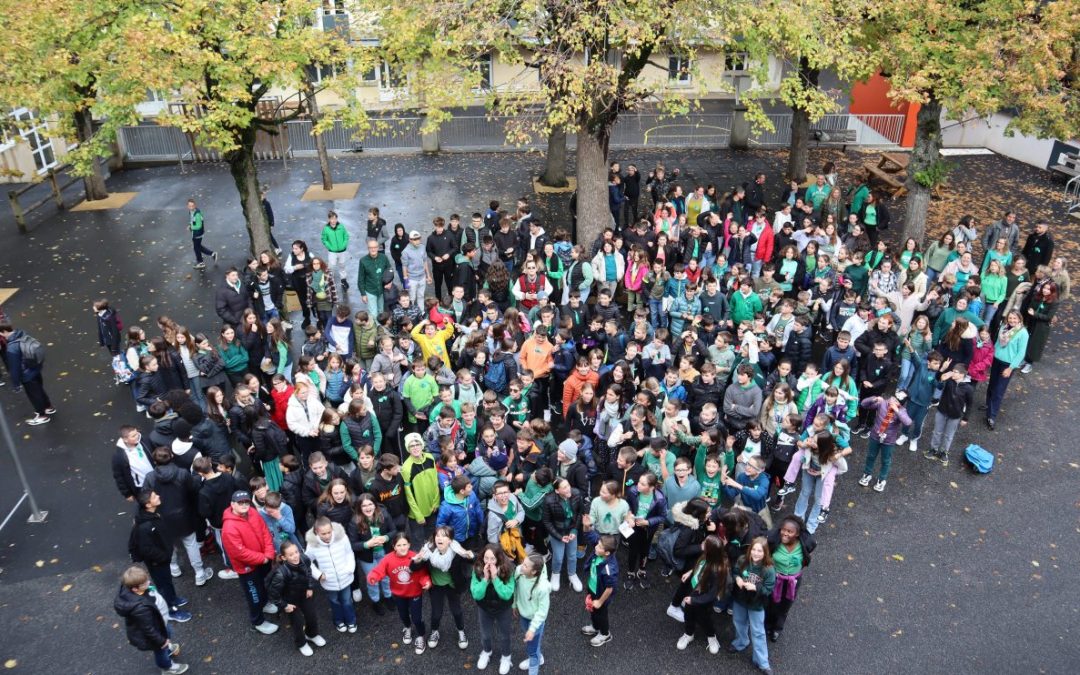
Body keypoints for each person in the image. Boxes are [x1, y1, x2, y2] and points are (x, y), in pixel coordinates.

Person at [221, 490, 280, 635]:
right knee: (254, 595)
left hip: (264, 560)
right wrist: (263, 557)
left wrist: (268, 553)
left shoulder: (253, 512)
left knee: (265, 585)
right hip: (248, 568)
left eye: (246, 502)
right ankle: (257, 621)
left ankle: (265, 603)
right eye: (240, 502)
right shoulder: (229, 528)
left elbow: (265, 532)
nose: (244, 505)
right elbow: (239, 553)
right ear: (232, 504)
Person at [127, 489, 191, 623]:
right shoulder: (145, 526)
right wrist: (163, 556)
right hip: (158, 562)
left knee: (167, 582)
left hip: (162, 558)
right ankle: (171, 610)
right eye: (154, 496)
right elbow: (147, 549)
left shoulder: (152, 515)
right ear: (148, 505)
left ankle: (173, 599)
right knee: (163, 586)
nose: (158, 496)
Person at [114, 564, 189, 674]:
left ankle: (167, 647)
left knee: (167, 635)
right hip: (155, 633)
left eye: (147, 580)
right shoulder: (141, 609)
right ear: (135, 589)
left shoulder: (136, 589)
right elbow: (149, 629)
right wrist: (161, 641)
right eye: (144, 583)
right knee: (161, 651)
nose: (148, 583)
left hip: (160, 622)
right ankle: (167, 667)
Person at [367, 532, 432, 654]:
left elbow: (423, 574)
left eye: (405, 544)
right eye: (399, 545)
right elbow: (378, 570)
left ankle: (420, 636)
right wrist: (373, 577)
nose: (402, 547)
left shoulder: (415, 557)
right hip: (398, 594)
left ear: (409, 545)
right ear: (394, 546)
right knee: (403, 615)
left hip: (414, 593)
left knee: (417, 618)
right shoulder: (387, 559)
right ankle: (407, 628)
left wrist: (426, 582)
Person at [412, 525, 474, 651]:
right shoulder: (428, 551)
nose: (439, 538)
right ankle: (434, 632)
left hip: (452, 586)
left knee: (457, 611)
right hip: (436, 587)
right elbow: (414, 568)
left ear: (450, 540)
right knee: (436, 614)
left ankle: (461, 631)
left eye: (444, 536)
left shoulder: (457, 551)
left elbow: (472, 559)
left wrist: (471, 556)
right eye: (437, 535)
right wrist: (417, 561)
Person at [267, 540, 326, 657]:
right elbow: (273, 594)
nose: (295, 556)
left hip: (304, 594)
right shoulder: (280, 573)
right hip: (290, 601)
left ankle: (312, 634)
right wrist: (284, 605)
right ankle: (301, 643)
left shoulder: (304, 559)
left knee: (311, 616)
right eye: (291, 554)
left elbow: (308, 572)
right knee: (297, 623)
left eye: (296, 552)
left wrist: (310, 587)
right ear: (284, 557)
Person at [674, 534, 727, 655]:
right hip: (693, 592)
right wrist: (690, 572)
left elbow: (711, 595)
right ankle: (688, 634)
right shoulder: (705, 557)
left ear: (711, 551)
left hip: (702, 599)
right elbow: (699, 566)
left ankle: (711, 636)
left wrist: (694, 601)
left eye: (705, 544)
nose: (702, 545)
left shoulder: (717, 570)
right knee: (688, 614)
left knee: (704, 618)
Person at [764, 516, 815, 643]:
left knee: (785, 605)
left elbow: (807, 557)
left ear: (797, 534)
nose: (785, 533)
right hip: (776, 578)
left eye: (789, 532)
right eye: (783, 530)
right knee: (771, 603)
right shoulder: (774, 542)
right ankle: (768, 625)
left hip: (793, 581)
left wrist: (797, 569)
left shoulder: (804, 545)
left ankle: (777, 629)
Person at [729, 537, 777, 671]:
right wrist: (737, 578)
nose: (756, 553)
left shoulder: (768, 570)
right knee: (738, 622)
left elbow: (768, 589)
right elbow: (735, 572)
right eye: (754, 550)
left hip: (756, 604)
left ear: (765, 553)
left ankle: (762, 662)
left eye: (760, 551)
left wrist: (755, 588)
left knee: (758, 632)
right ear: (750, 550)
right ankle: (741, 642)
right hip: (740, 599)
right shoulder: (743, 560)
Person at [305, 516, 357, 634]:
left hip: (345, 577)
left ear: (332, 529)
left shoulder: (342, 538)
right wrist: (318, 575)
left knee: (347, 600)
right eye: (323, 534)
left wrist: (349, 568)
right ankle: (338, 621)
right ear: (317, 532)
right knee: (334, 601)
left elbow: (349, 553)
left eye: (329, 532)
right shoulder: (312, 545)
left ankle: (351, 621)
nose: (327, 536)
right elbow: (308, 562)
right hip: (328, 581)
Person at [470, 544, 516, 673]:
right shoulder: (477, 569)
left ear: (499, 559)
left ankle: (506, 657)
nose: (489, 562)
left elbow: (506, 594)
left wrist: (495, 578)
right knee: (485, 635)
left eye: (492, 559)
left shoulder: (509, 569)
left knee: (504, 635)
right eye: (486, 558)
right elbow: (476, 595)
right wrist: (485, 579)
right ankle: (486, 652)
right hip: (485, 608)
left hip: (503, 609)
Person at [857, 393, 912, 493]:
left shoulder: (902, 411)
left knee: (886, 460)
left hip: (889, 440)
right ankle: (867, 474)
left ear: (900, 404)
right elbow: (864, 404)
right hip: (875, 436)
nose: (892, 401)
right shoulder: (882, 404)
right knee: (871, 455)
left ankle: (882, 479)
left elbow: (908, 422)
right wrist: (874, 398)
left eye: (896, 401)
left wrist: (897, 410)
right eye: (893, 398)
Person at [0, 323, 55, 425]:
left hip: (26, 374)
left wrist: (16, 384)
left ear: (5, 332)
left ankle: (41, 415)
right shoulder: (23, 335)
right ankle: (48, 407)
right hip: (35, 368)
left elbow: (14, 368)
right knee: (39, 389)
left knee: (34, 395)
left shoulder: (12, 348)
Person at [985, 310, 1028, 430]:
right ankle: (988, 405)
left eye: (1015, 318)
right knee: (992, 385)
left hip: (1008, 365)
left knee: (999, 390)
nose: (1012, 320)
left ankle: (991, 416)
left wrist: (1011, 368)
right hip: (997, 360)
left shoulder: (1023, 333)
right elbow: (998, 344)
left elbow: (1021, 353)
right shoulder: (1003, 327)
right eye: (1010, 318)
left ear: (1020, 319)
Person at [541, 477, 585, 592]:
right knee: (559, 557)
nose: (568, 489)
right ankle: (555, 574)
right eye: (564, 487)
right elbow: (546, 521)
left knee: (572, 555)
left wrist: (575, 530)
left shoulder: (576, 494)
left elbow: (580, 513)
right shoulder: (548, 500)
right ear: (557, 491)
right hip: (557, 532)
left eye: (568, 485)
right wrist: (559, 536)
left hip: (571, 530)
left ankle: (572, 574)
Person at [578, 531, 618, 647]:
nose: (596, 546)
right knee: (593, 611)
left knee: (601, 613)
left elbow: (610, 588)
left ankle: (605, 634)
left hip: (601, 595)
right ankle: (595, 627)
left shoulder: (610, 569)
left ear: (606, 552)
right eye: (598, 544)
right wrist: (587, 527)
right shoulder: (601, 552)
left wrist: (600, 602)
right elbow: (593, 537)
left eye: (599, 546)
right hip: (593, 588)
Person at [514, 552, 551, 675]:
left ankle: (534, 662)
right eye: (523, 563)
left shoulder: (543, 587)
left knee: (532, 649)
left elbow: (542, 612)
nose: (521, 566)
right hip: (524, 616)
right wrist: (514, 604)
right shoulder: (520, 571)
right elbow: (516, 588)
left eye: (525, 565)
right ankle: (538, 657)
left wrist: (532, 629)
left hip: (535, 621)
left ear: (534, 571)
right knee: (533, 644)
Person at [357, 238, 392, 314]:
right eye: (371, 248)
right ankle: (375, 326)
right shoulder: (363, 261)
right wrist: (363, 294)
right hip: (370, 291)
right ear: (368, 248)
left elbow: (390, 270)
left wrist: (390, 282)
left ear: (378, 247)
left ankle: (380, 326)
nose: (373, 249)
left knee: (381, 312)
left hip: (382, 290)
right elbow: (361, 279)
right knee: (373, 313)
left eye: (375, 247)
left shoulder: (384, 257)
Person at [321, 210, 351, 292]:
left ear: (337, 219)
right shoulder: (326, 229)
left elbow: (346, 236)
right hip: (332, 251)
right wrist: (329, 246)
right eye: (331, 219)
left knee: (342, 265)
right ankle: (330, 281)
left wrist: (344, 244)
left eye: (335, 218)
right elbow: (324, 239)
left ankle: (343, 280)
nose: (333, 220)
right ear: (329, 219)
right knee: (331, 266)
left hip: (342, 251)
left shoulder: (341, 227)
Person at [187, 198, 216, 269]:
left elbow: (198, 226)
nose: (191, 207)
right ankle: (212, 254)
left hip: (198, 234)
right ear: (187, 206)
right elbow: (192, 221)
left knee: (196, 248)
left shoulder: (197, 214)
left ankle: (201, 262)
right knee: (198, 246)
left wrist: (191, 227)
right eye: (190, 206)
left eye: (192, 206)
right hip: (195, 233)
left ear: (195, 205)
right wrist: (190, 225)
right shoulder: (191, 212)